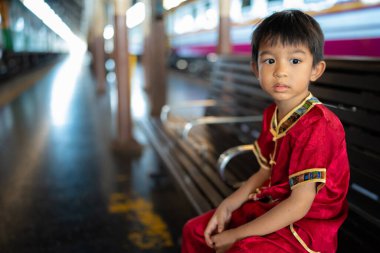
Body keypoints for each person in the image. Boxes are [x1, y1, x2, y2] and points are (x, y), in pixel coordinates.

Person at [181, 9, 350, 253]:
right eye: (270, 60)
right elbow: (266, 170)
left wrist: (236, 234)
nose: (280, 71)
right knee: (195, 231)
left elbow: (300, 205)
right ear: (255, 68)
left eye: (295, 60)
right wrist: (229, 204)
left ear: (316, 69)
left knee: (242, 248)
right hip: (272, 203)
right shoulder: (273, 113)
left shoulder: (318, 125)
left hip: (306, 226)